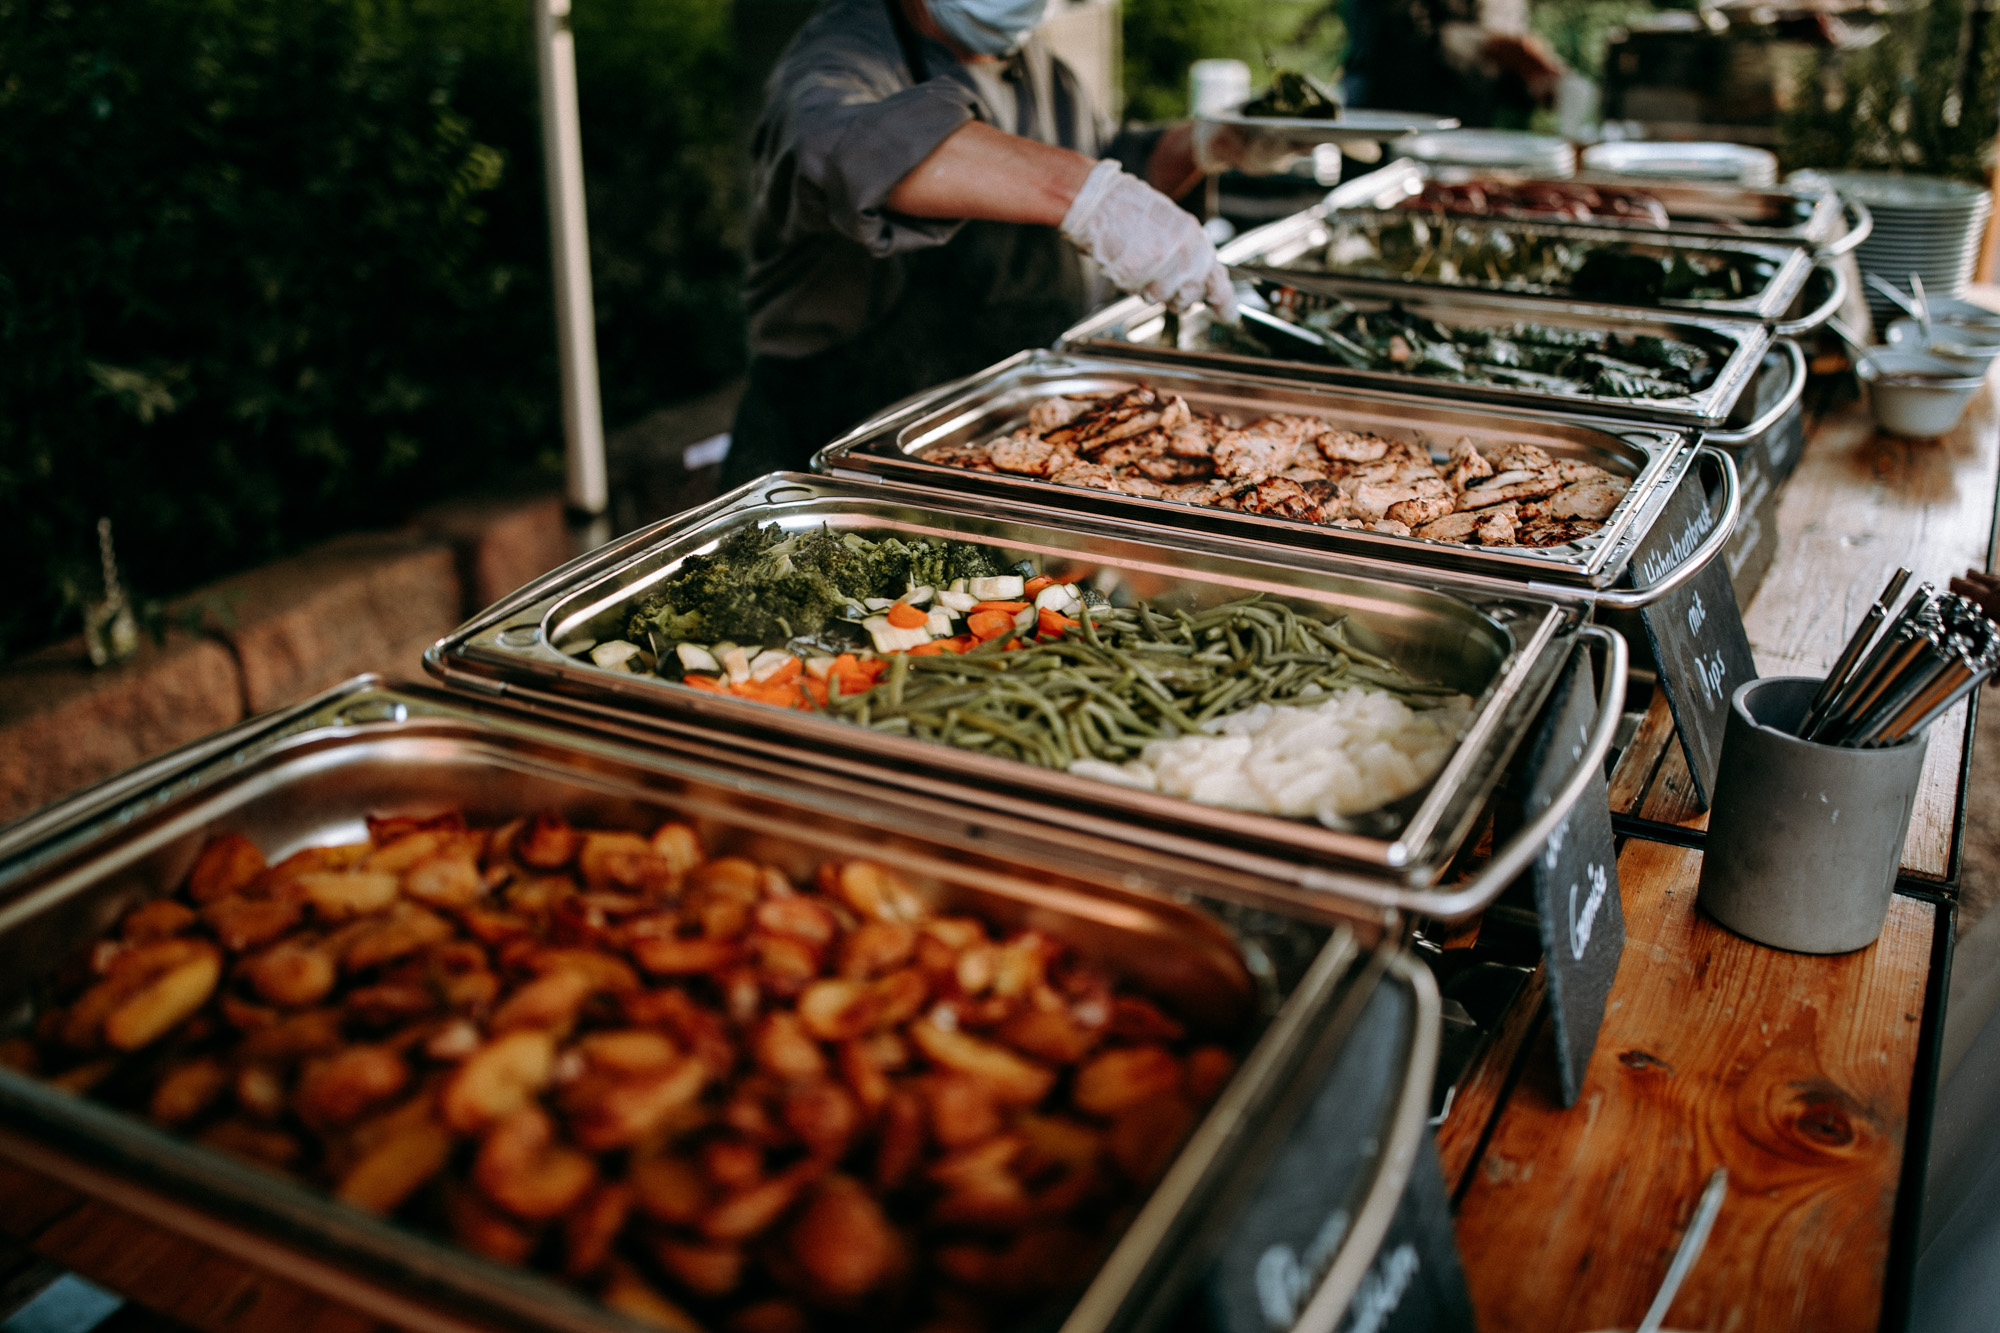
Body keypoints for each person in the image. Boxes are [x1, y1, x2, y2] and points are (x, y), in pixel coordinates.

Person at [724, 0, 1241, 488]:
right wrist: (1086, 194)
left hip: (1008, 426)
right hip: (840, 436)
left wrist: (1202, 144)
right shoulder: (839, 56)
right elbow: (840, 147)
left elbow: (1108, 160)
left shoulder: (1039, 66)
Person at [1341, 0, 1565, 128]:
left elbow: (1505, 67)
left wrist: (1536, 81)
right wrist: (1489, 47)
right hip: (1389, 137)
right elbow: (1392, 40)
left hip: (1471, 142)